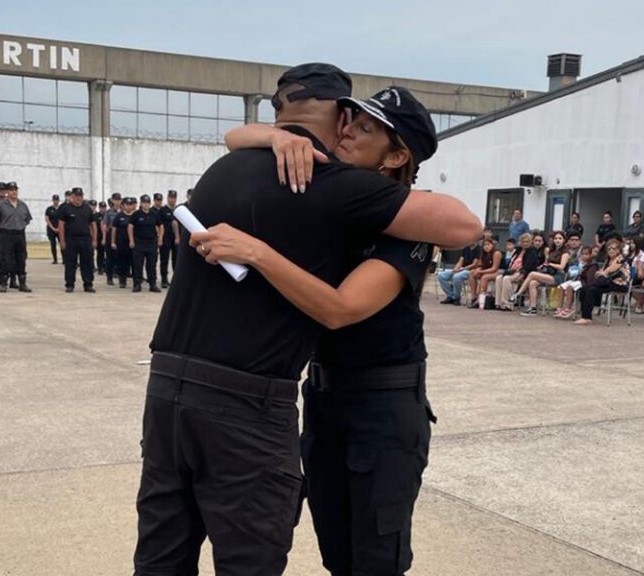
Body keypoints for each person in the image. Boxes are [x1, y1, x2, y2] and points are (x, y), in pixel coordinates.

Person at [135, 65, 481, 576]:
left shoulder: (399, 222)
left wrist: (257, 251)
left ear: (397, 155)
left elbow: (340, 309)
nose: (347, 133)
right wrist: (273, 136)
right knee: (334, 552)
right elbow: (238, 136)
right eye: (350, 121)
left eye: (363, 129)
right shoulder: (333, 197)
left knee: (372, 560)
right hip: (322, 398)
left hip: (381, 407)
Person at [574, 239, 630, 325]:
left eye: (614, 248)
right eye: (609, 248)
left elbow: (609, 271)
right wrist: (601, 273)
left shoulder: (620, 258)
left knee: (591, 290)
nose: (611, 250)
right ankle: (584, 313)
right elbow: (601, 272)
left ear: (619, 250)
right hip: (608, 282)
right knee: (585, 288)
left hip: (619, 284)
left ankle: (587, 318)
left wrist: (602, 273)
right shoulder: (608, 260)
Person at [514, 231, 569, 316]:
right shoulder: (552, 251)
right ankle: (533, 308)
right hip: (549, 274)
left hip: (558, 276)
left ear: (564, 240)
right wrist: (543, 266)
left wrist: (550, 264)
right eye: (556, 238)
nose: (557, 240)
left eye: (560, 238)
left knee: (532, 274)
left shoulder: (565, 252)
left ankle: (518, 294)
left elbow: (562, 266)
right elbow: (546, 263)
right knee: (532, 283)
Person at [0, 182, 32, 292]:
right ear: (7, 192)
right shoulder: (1, 205)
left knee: (21, 258)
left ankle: (22, 283)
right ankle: (4, 283)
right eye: (11, 190)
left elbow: (27, 219)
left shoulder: (22, 205)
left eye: (15, 190)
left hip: (20, 234)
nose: (14, 192)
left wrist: (19, 225)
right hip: (7, 235)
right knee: (6, 259)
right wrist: (5, 226)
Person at [58, 187, 97, 293]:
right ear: (72, 196)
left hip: (85, 239)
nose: (78, 198)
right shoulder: (65, 208)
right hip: (71, 239)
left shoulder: (87, 208)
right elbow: (61, 225)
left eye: (80, 196)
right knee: (70, 263)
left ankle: (88, 284)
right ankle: (70, 284)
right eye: (76, 196)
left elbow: (93, 224)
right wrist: (62, 241)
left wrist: (94, 239)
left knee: (87, 263)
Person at [494, 233, 538, 310]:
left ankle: (507, 304)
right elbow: (512, 261)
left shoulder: (532, 252)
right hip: (512, 270)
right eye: (523, 241)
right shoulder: (518, 250)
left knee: (506, 279)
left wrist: (519, 271)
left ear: (530, 242)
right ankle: (498, 303)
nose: (525, 243)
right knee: (498, 278)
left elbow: (528, 266)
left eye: (527, 242)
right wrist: (510, 269)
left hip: (523, 272)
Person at [129, 194, 163, 293]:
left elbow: (161, 226)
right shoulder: (136, 214)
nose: (146, 204)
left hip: (152, 242)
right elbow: (130, 227)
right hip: (139, 242)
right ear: (141, 203)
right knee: (138, 264)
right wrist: (131, 240)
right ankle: (137, 284)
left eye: (147, 202)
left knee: (152, 264)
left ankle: (152, 284)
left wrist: (160, 238)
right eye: (144, 202)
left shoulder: (154, 214)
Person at [554, 246, 594, 319]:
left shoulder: (592, 264)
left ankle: (568, 307)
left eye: (586, 254)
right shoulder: (577, 262)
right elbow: (571, 272)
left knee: (570, 287)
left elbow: (589, 277)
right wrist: (572, 271)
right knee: (561, 287)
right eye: (583, 254)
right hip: (574, 279)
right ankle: (559, 307)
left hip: (582, 281)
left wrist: (581, 272)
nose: (584, 256)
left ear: (590, 255)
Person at [467, 237, 501, 308]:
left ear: (492, 245)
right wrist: (477, 270)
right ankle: (474, 298)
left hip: (497, 271)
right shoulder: (483, 253)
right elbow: (480, 265)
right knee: (471, 273)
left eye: (488, 244)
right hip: (486, 270)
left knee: (484, 277)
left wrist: (481, 271)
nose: (486, 246)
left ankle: (480, 299)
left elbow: (494, 268)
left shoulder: (496, 253)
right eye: (484, 245)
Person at [158, 190, 180, 288]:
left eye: (174, 198)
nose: (172, 200)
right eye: (171, 198)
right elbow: (158, 225)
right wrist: (160, 238)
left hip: (176, 239)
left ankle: (175, 280)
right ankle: (164, 279)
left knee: (176, 260)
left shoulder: (178, 210)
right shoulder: (162, 210)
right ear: (167, 198)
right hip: (165, 238)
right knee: (164, 259)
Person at [111, 198, 134, 288]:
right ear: (124, 205)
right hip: (121, 242)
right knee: (122, 262)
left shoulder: (135, 215)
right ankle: (122, 281)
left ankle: (136, 281)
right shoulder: (119, 216)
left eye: (130, 204)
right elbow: (114, 229)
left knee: (134, 262)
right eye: (127, 204)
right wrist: (113, 242)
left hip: (133, 243)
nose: (128, 206)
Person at [103, 192, 122, 285]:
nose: (117, 202)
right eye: (116, 200)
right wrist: (104, 238)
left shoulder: (123, 211)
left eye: (119, 200)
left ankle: (120, 276)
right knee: (110, 257)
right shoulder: (109, 212)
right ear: (112, 200)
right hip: (110, 235)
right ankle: (109, 277)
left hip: (121, 235)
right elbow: (105, 225)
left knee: (120, 257)